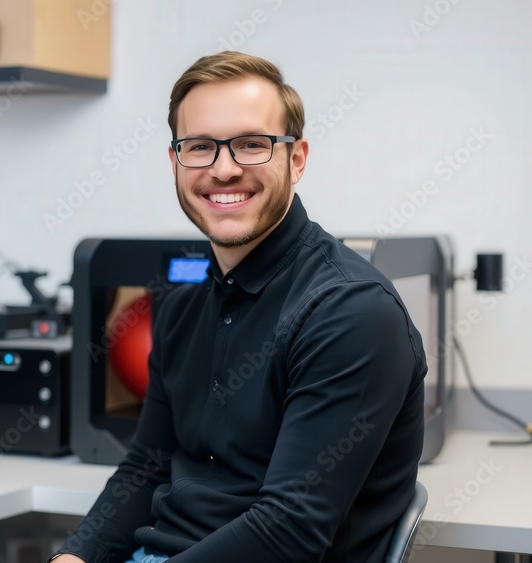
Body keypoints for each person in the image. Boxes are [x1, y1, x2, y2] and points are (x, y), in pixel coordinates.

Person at [51, 51, 426, 563]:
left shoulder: (351, 313)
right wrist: (73, 556)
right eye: (200, 147)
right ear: (175, 163)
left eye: (251, 145)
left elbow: (289, 532)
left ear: (296, 160)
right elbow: (147, 467)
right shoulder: (183, 310)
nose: (224, 170)